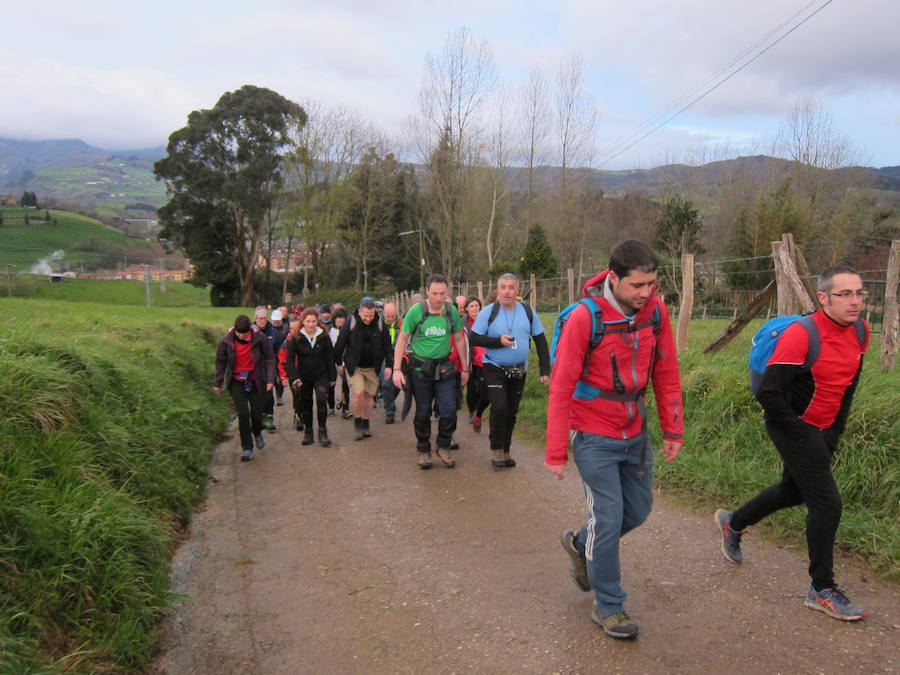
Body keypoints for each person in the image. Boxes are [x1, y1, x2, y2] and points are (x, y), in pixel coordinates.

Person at [715, 266, 870, 621]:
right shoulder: (803, 334)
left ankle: (733, 522)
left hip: (824, 428)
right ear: (824, 298)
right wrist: (804, 434)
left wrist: (835, 430)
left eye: (859, 293)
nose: (855, 301)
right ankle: (822, 588)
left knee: (794, 491)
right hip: (790, 425)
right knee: (827, 504)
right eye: (845, 294)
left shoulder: (860, 332)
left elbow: (848, 385)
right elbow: (769, 393)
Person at [546, 239, 683, 639]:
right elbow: (562, 386)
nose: (646, 293)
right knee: (609, 519)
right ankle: (609, 606)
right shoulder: (585, 319)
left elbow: (667, 372)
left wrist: (673, 428)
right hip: (593, 434)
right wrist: (556, 450)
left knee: (636, 512)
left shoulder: (655, 312)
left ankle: (580, 544)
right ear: (614, 277)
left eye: (652, 284)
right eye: (637, 285)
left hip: (635, 431)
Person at [470, 276, 550, 468]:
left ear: (517, 291)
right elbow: (474, 338)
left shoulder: (528, 312)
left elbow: (540, 340)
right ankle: (496, 450)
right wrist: (498, 341)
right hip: (493, 367)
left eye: (511, 288)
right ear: (497, 290)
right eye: (503, 287)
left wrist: (545, 369)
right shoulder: (488, 312)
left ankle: (506, 449)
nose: (506, 291)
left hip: (518, 369)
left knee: (512, 411)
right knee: (499, 407)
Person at [392, 274, 469, 469]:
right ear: (427, 291)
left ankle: (443, 445)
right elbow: (401, 340)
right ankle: (423, 449)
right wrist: (396, 369)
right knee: (423, 412)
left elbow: (459, 339)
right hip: (420, 370)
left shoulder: (451, 312)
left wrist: (465, 368)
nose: (439, 298)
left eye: (443, 293)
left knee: (450, 410)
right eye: (435, 293)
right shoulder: (416, 312)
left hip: (445, 370)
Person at [214, 314, 275, 461]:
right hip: (236, 381)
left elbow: (270, 358)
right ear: (234, 329)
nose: (242, 337)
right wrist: (217, 383)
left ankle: (258, 431)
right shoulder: (226, 341)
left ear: (250, 330)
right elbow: (220, 362)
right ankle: (247, 447)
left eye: (245, 334)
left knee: (256, 413)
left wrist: (270, 379)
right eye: (239, 334)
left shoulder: (259, 338)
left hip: (255, 380)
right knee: (243, 414)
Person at [333, 299, 393, 441]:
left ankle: (366, 424)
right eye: (365, 315)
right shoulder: (351, 322)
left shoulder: (379, 324)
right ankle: (357, 422)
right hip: (354, 366)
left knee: (368, 396)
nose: (368, 319)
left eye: (371, 316)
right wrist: (338, 363)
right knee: (358, 392)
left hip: (373, 366)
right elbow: (340, 343)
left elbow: (387, 345)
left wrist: (389, 365)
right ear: (360, 312)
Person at [282, 309, 336, 447]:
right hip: (303, 375)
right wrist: (294, 377)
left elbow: (330, 356)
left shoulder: (324, 336)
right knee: (306, 403)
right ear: (303, 322)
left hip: (321, 373)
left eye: (313, 321)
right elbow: (289, 360)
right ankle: (309, 431)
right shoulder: (295, 337)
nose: (311, 324)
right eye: (308, 321)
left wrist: (332, 376)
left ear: (317, 322)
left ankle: (323, 432)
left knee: (321, 399)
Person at [463, 296, 489, 431]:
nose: (474, 308)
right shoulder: (463, 323)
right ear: (466, 308)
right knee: (472, 388)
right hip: (469, 361)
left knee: (484, 390)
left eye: (477, 306)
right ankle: (472, 411)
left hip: (483, 361)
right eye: (471, 306)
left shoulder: (486, 321)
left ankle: (477, 412)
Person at [381, 302, 402, 424]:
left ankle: (389, 400)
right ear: (383, 314)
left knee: (397, 385)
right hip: (384, 359)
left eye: (392, 316)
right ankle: (390, 411)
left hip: (398, 358)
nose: (390, 318)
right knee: (385, 383)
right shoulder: (379, 325)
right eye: (387, 316)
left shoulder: (401, 324)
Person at [329, 308, 351, 418]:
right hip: (331, 361)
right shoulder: (330, 331)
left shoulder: (349, 331)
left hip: (344, 361)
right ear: (334, 319)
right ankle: (331, 406)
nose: (341, 320)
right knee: (331, 384)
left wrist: (342, 363)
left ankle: (345, 407)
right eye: (338, 318)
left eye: (343, 318)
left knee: (345, 384)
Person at [269, 309, 287, 408]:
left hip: (282, 357)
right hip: (271, 357)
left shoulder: (285, 329)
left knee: (281, 377)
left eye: (277, 321)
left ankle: (279, 395)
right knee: (273, 376)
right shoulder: (269, 329)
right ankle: (275, 392)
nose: (275, 322)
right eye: (274, 321)